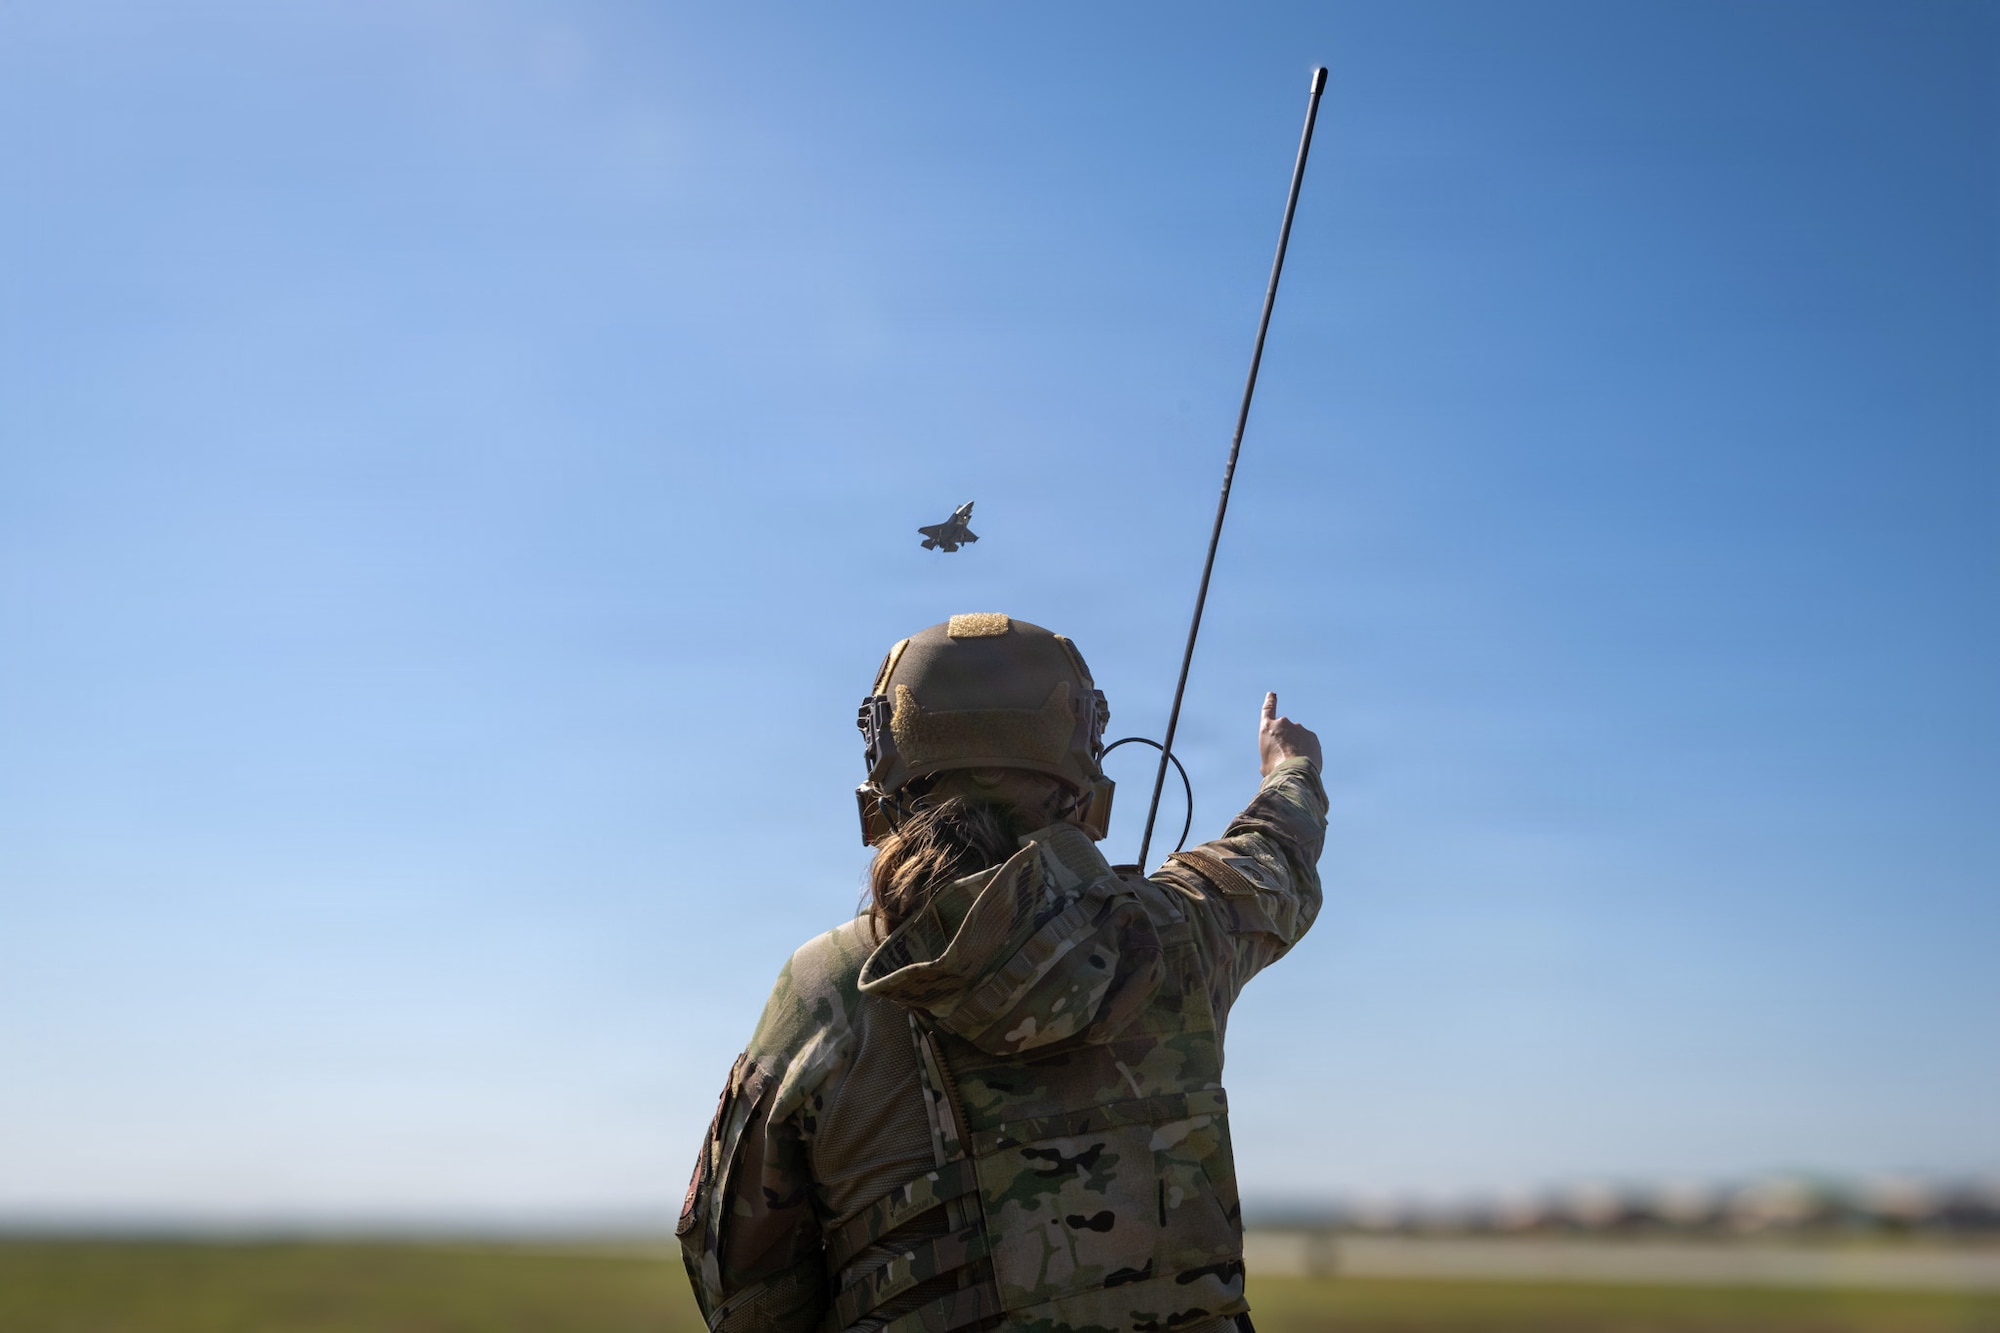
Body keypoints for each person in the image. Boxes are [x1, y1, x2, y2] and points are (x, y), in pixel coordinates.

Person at [678, 614, 1326, 1333]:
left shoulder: (826, 986)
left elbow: (744, 1285)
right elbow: (1274, 857)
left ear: (888, 768)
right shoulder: (1179, 929)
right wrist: (1290, 767)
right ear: (1079, 768)